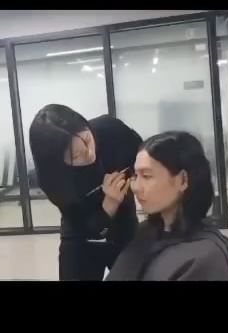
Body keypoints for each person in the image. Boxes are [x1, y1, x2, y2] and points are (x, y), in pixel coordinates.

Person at [105, 131, 228, 281]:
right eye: (136, 176)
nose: (135, 187)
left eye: (146, 176)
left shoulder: (205, 258)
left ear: (183, 180)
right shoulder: (145, 231)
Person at [29, 104, 143, 281]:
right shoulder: (53, 179)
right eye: (77, 156)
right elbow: (82, 224)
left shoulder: (112, 130)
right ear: (57, 161)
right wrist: (109, 203)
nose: (90, 154)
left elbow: (146, 161)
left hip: (124, 222)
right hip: (82, 231)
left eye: (88, 140)